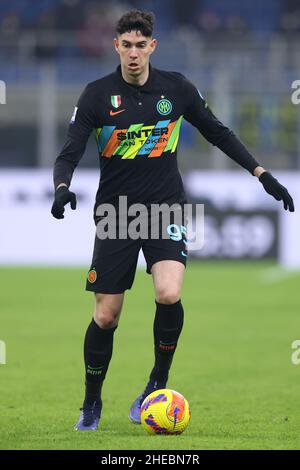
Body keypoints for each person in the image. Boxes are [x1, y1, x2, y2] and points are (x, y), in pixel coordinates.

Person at [51, 9, 294, 431]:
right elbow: (71, 148)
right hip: (117, 214)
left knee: (168, 292)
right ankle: (91, 402)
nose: (132, 53)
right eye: (125, 45)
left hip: (166, 209)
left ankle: (156, 383)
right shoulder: (96, 95)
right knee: (107, 316)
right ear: (116, 47)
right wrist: (60, 187)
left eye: (140, 45)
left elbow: (218, 132)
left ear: (152, 46)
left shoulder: (177, 89)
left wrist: (262, 174)